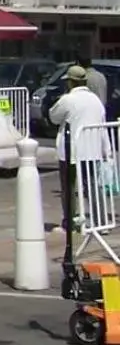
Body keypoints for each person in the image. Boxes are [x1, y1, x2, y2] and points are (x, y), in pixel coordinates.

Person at [52, 64, 108, 230]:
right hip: (92, 150)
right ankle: (101, 222)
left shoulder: (68, 99)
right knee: (92, 187)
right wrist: (107, 150)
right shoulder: (95, 100)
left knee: (68, 187)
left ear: (70, 82)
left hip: (71, 151)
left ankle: (69, 222)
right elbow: (103, 124)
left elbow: (53, 116)